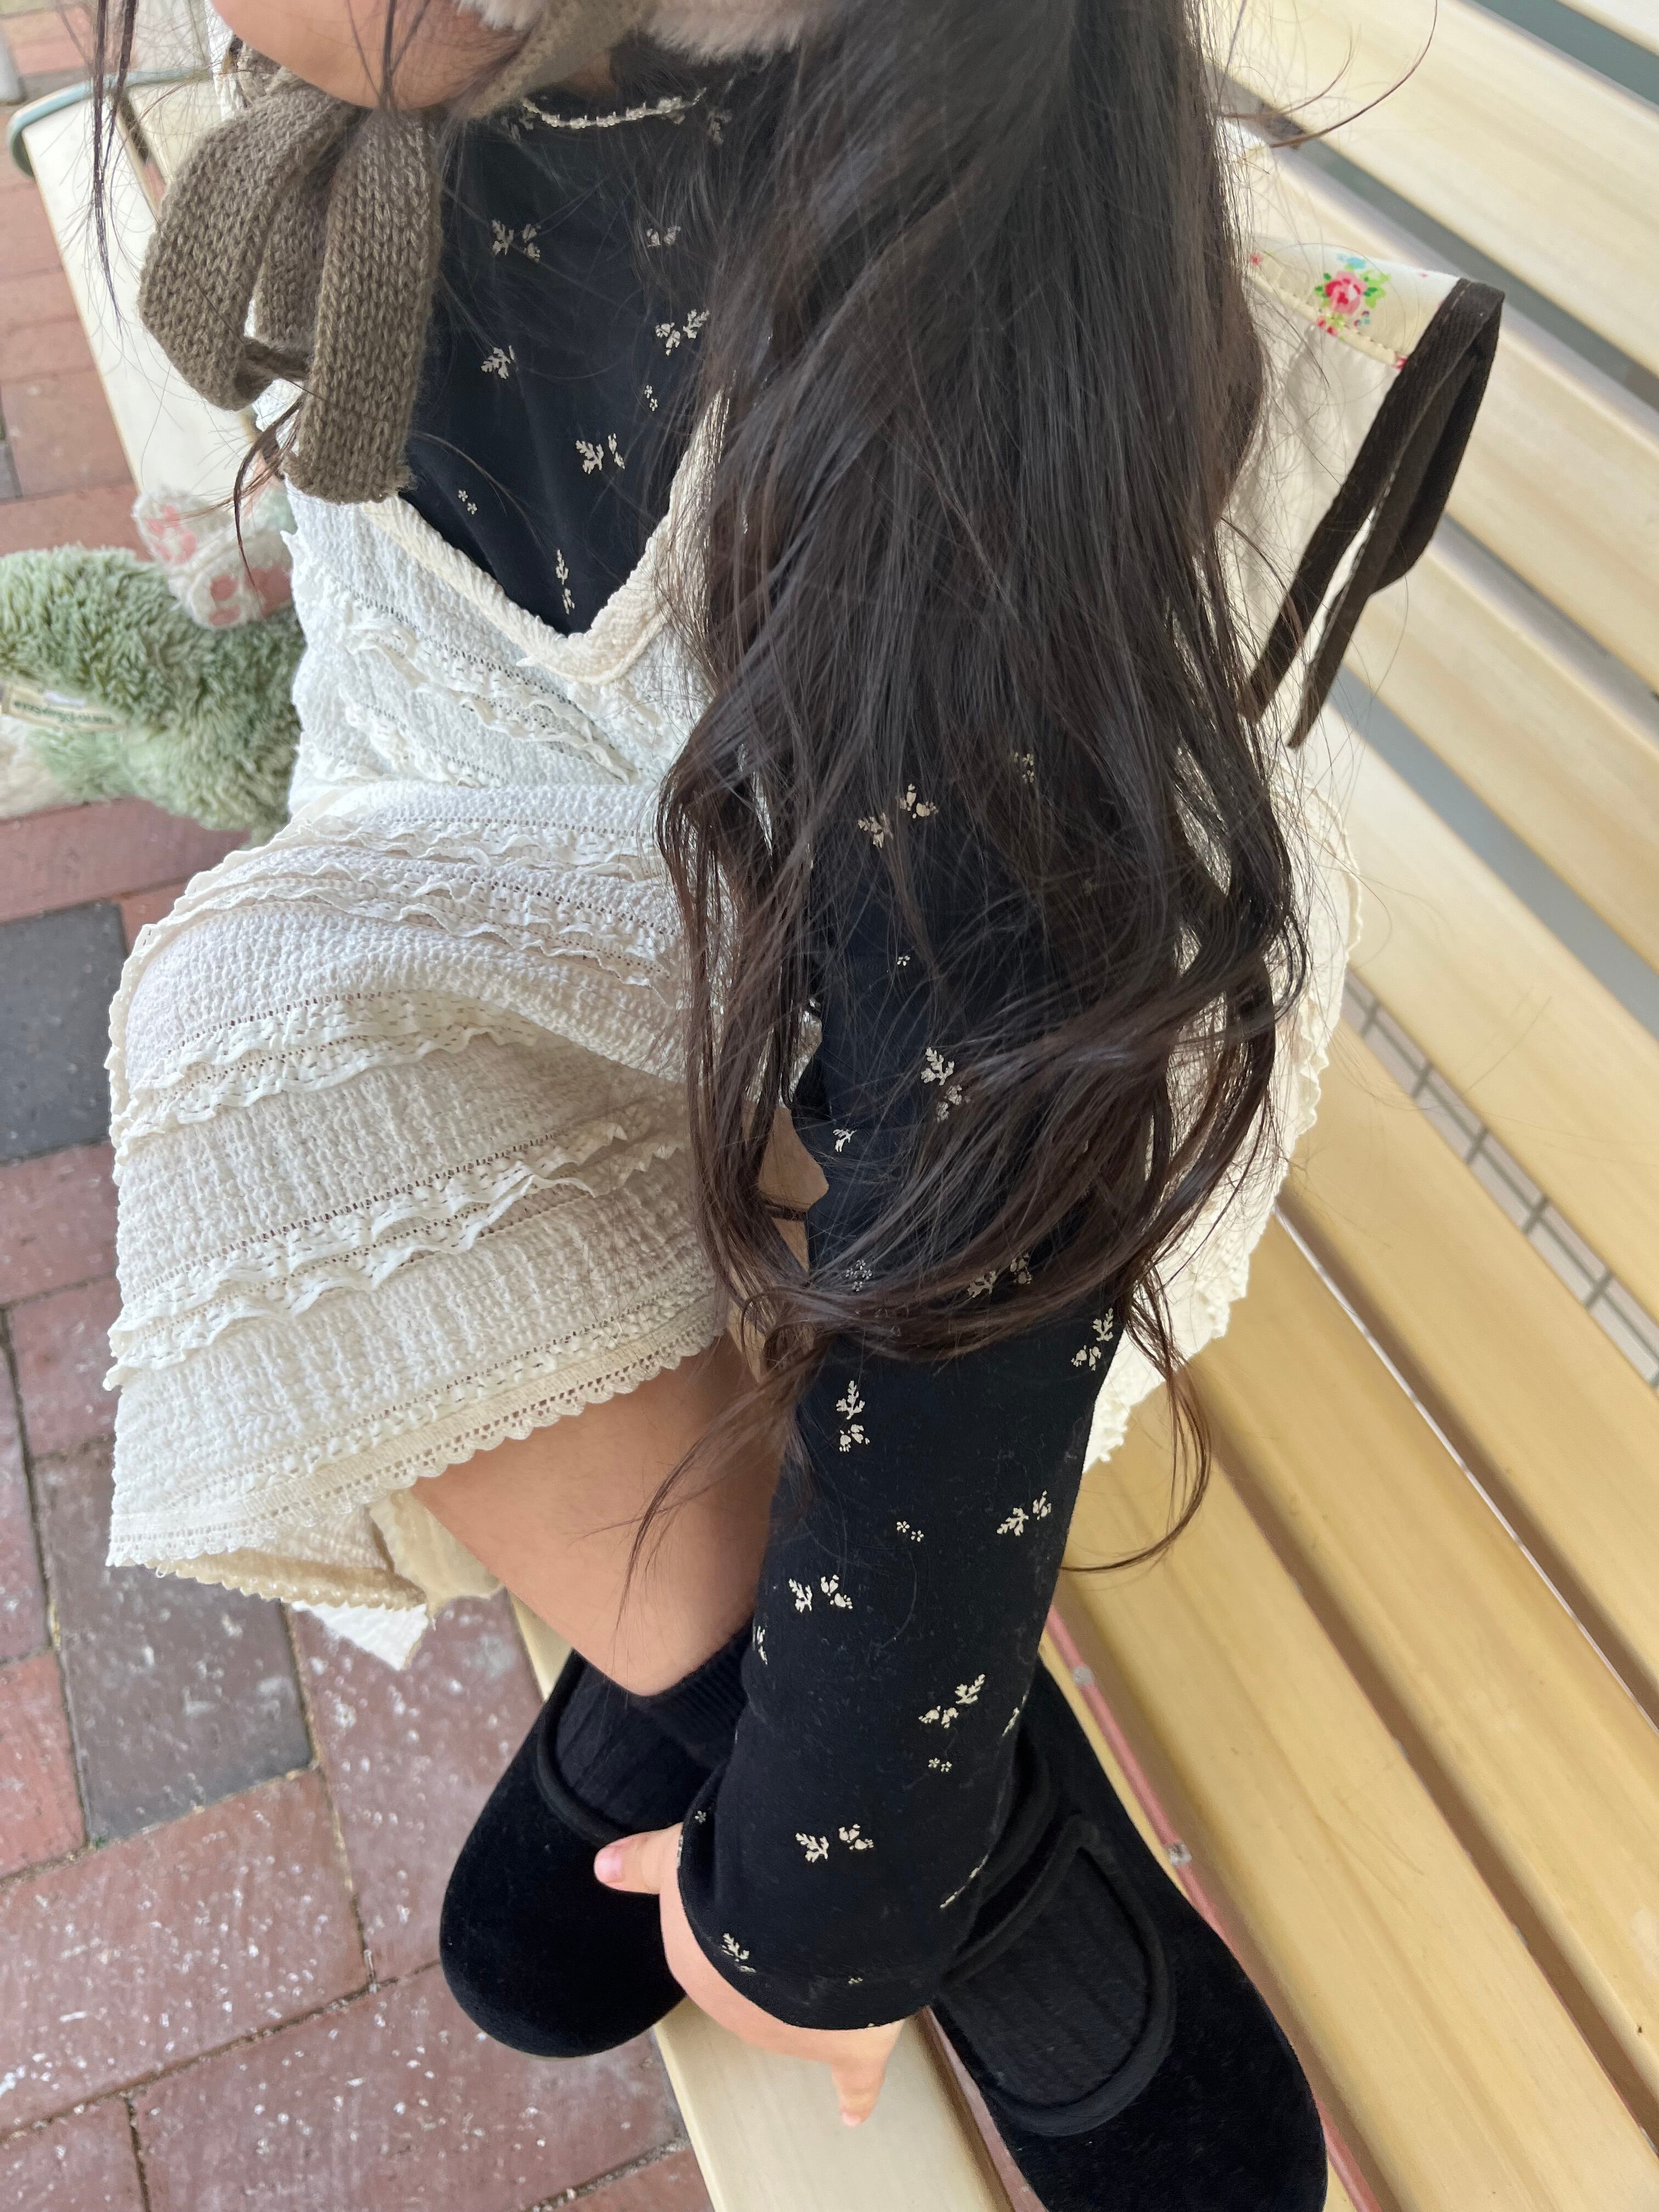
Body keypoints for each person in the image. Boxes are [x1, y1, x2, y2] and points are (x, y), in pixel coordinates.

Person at [99, 2, 1500, 2203]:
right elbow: (406, 753)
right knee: (260, 1031)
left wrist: (830, 1889)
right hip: (652, 901)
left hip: (1013, 1035)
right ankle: (726, 1659)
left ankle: (917, 1814)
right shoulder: (473, 92)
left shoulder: (918, 275)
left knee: (260, 1022)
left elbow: (1005, 1146)